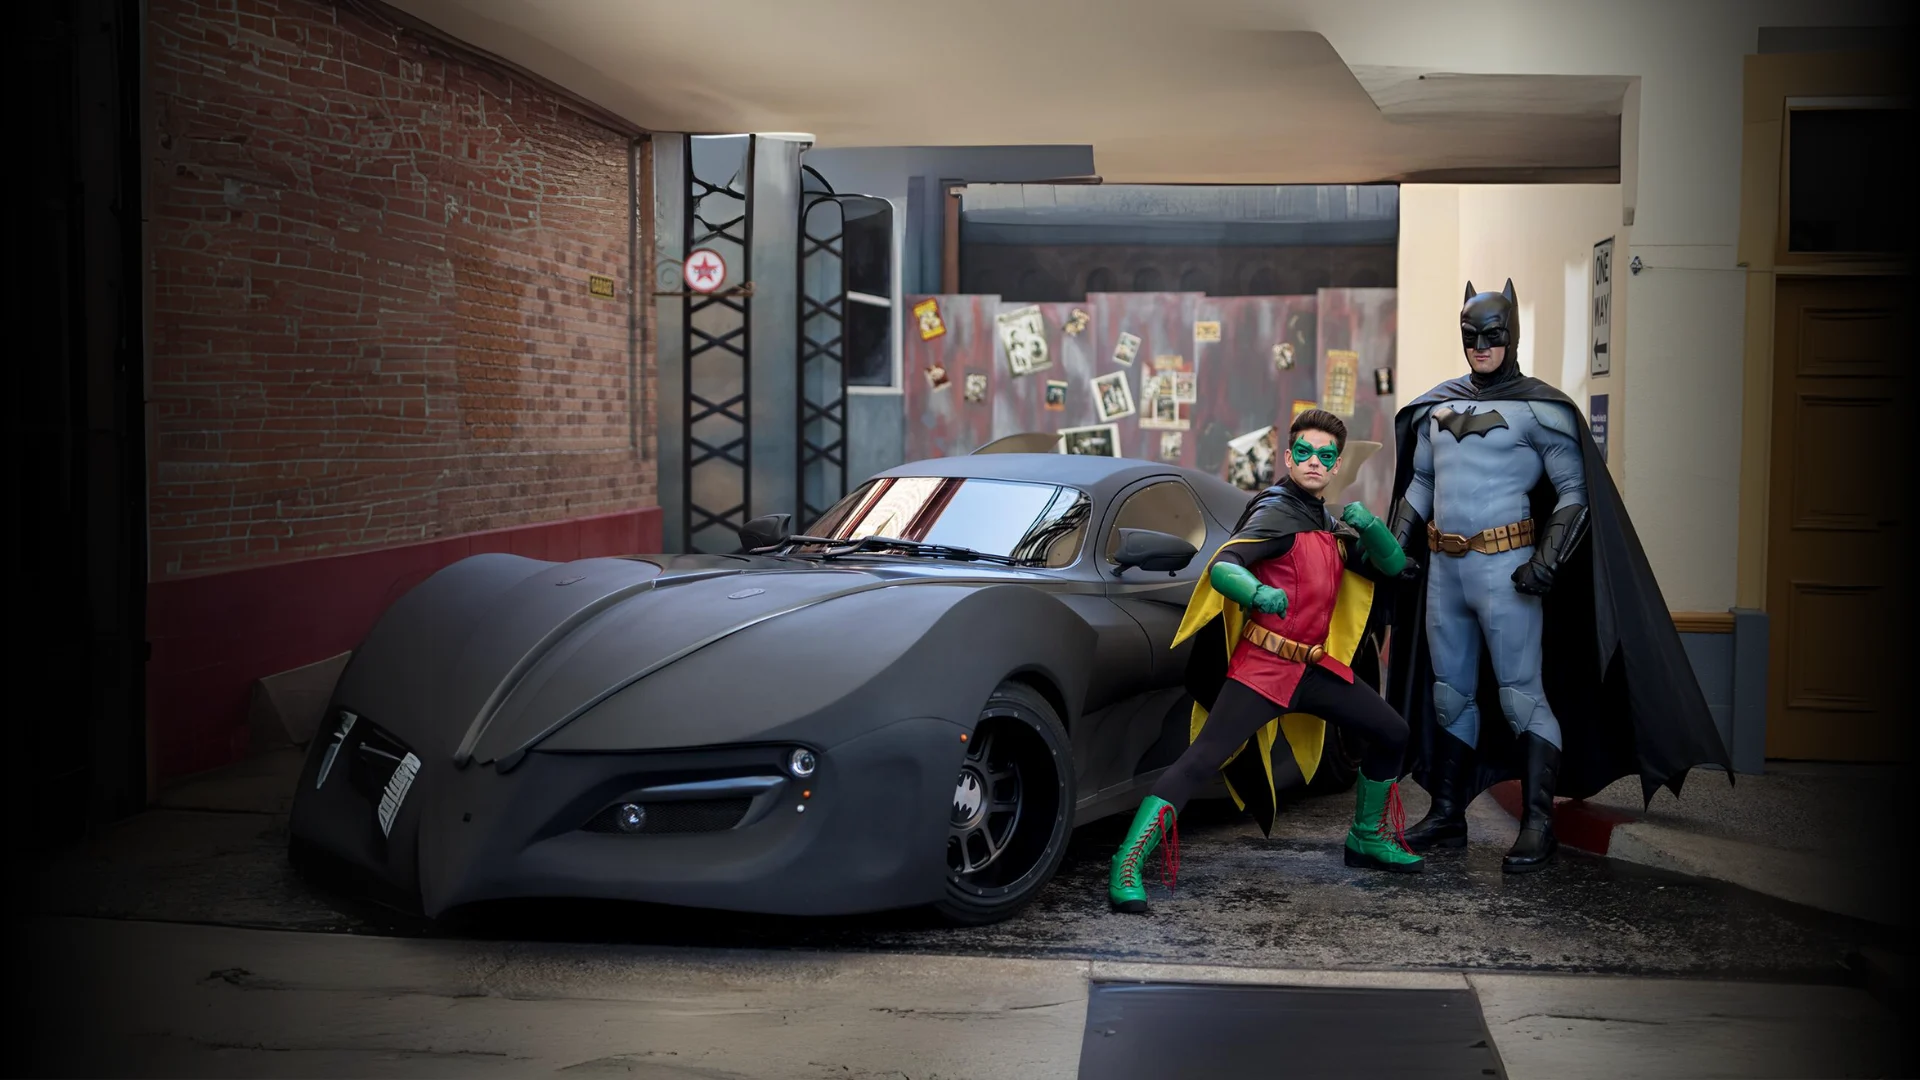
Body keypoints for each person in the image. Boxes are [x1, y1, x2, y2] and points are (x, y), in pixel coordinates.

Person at [1384, 280, 1731, 872]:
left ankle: (1538, 823)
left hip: (1505, 567)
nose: (1481, 347)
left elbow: (1575, 490)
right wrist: (1395, 548)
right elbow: (1419, 483)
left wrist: (1547, 560)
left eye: (1492, 335)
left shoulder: (1538, 409)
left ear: (1512, 334)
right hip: (1445, 570)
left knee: (1521, 696)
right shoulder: (1437, 409)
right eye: (1471, 336)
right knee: (1449, 694)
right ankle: (1447, 813)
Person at [1107, 408, 1419, 915]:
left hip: (1313, 668)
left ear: (1336, 464)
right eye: (1305, 452)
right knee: (1201, 759)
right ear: (1288, 457)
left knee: (1393, 733)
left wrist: (1373, 530)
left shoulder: (1327, 523)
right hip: (1265, 667)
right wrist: (1255, 593)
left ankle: (1366, 837)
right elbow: (1224, 565)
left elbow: (1394, 568)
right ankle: (1126, 862)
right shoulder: (1274, 512)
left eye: (1326, 455)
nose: (1314, 462)